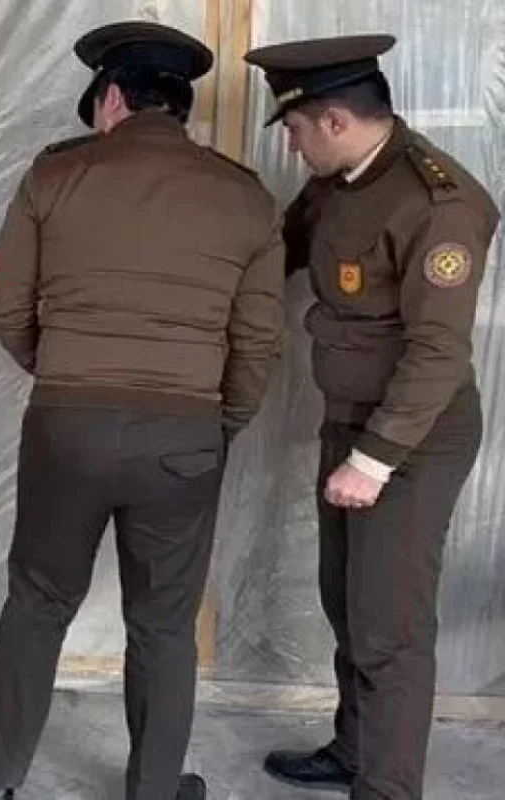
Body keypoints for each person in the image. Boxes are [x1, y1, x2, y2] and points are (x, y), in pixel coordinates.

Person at [0, 20, 285, 800]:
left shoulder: (54, 177)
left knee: (38, 603)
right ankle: (153, 788)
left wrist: (66, 376)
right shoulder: (245, 195)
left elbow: (5, 304)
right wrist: (216, 423)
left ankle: (1, 780)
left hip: (66, 427)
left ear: (111, 98)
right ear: (180, 106)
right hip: (185, 436)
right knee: (165, 623)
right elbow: (259, 341)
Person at [244, 35, 500, 799]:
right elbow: (280, 249)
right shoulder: (338, 180)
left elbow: (438, 353)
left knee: (390, 628)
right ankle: (356, 749)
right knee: (348, 602)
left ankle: (387, 787)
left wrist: (374, 459)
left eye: (295, 129)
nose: (291, 145)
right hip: (350, 421)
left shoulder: (438, 203)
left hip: (411, 439)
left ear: (334, 121)